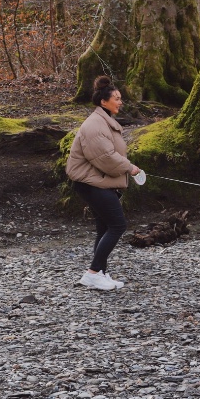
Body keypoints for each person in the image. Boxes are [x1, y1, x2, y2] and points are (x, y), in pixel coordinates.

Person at [65, 75, 146, 290]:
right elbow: (105, 158)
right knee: (118, 225)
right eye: (116, 98)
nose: (120, 102)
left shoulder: (104, 121)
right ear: (103, 101)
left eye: (120, 98)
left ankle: (99, 272)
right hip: (92, 183)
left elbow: (108, 156)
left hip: (97, 182)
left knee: (104, 226)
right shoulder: (94, 125)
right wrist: (129, 167)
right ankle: (92, 273)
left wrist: (127, 167)